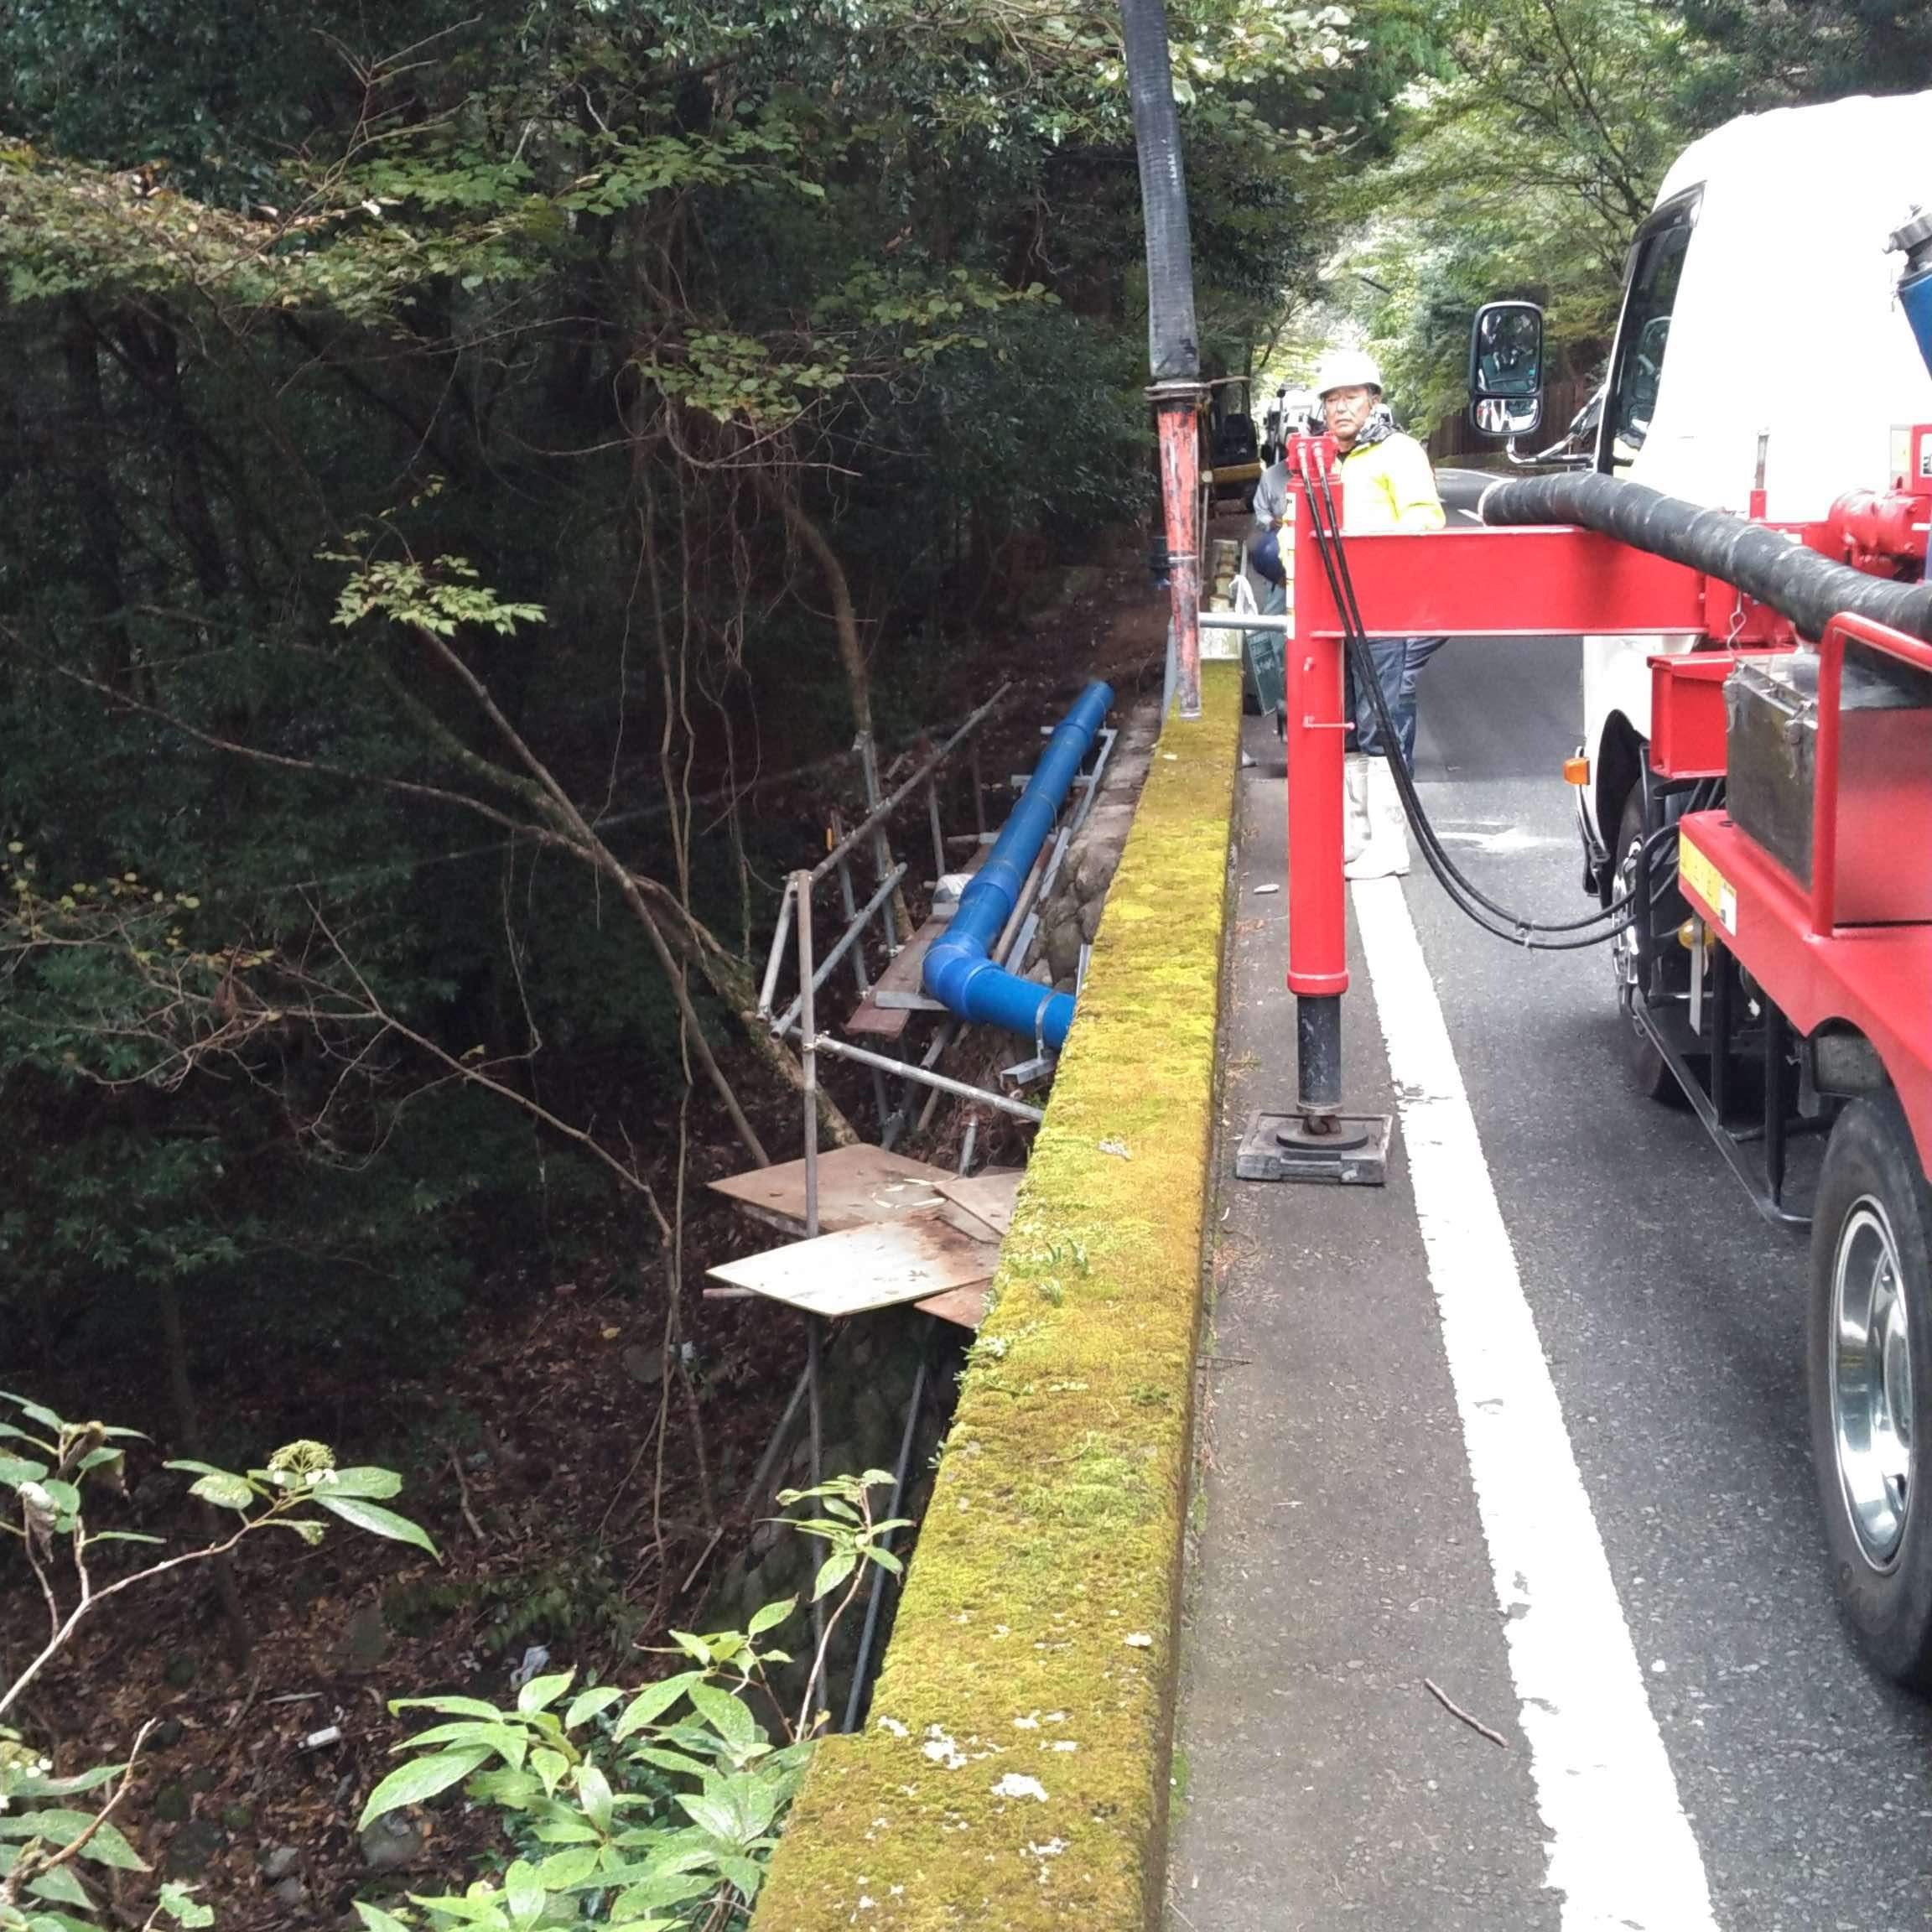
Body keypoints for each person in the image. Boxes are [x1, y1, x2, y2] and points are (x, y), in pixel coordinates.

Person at [1309, 347, 1446, 880]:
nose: (1341, 408)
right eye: (1332, 400)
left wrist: (1361, 547)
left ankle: (1390, 844)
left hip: (1384, 608)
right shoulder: (1323, 459)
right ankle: (1357, 836)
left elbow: (1425, 520)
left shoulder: (1398, 452)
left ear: (1373, 400)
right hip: (1333, 613)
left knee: (1381, 721)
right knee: (1347, 722)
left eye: (1351, 397)